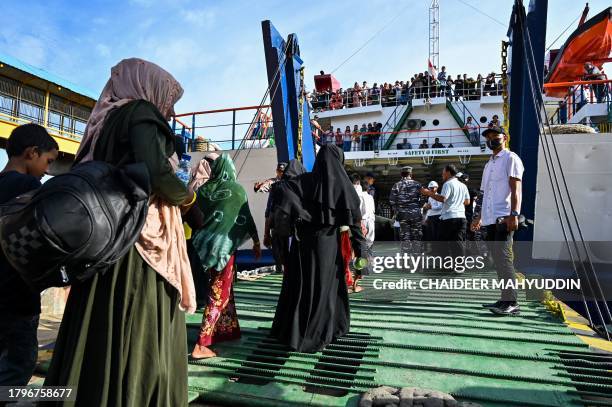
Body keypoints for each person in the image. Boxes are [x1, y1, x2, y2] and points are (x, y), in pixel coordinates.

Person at [45, 58, 197, 406]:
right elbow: (155, 171)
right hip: (137, 241)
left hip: (104, 238)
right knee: (139, 321)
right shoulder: (141, 111)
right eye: (169, 101)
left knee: (97, 321)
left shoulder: (103, 120)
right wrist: (187, 197)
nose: (170, 112)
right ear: (150, 88)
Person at [271, 145, 366, 352]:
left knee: (300, 288)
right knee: (326, 291)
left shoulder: (302, 183)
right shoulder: (346, 190)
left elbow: (283, 191)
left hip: (301, 245)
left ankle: (294, 333)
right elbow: (357, 233)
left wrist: (282, 248)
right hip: (329, 250)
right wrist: (362, 265)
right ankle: (323, 332)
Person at [0, 124, 58, 387]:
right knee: (19, 364)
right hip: (18, 296)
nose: (47, 170)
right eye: (48, 161)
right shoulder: (31, 188)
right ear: (32, 153)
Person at [191, 153, 261, 359]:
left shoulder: (204, 189)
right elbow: (245, 217)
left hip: (203, 248)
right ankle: (201, 343)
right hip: (224, 250)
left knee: (224, 288)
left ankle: (226, 329)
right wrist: (256, 242)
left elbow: (194, 216)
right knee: (218, 292)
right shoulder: (237, 190)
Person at [471, 126, 524, 316]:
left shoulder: (511, 158)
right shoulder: (488, 164)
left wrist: (515, 214)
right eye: (489, 137)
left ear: (505, 138)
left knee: (504, 260)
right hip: (490, 219)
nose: (492, 140)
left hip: (504, 217)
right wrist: (479, 217)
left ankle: (512, 303)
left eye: (496, 136)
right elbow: (484, 194)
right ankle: (504, 298)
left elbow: (516, 188)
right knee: (498, 261)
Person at [421, 164, 470, 266]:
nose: (442, 175)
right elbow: (467, 201)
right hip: (461, 217)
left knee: (443, 243)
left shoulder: (448, 184)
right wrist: (456, 202)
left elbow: (442, 199)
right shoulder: (463, 185)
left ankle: (446, 266)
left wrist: (428, 193)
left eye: (443, 173)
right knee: (458, 243)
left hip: (449, 218)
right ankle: (459, 266)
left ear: (448, 172)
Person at [389, 166, 423, 252]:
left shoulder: (397, 185)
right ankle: (417, 259)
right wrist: (416, 207)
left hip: (403, 215)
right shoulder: (418, 184)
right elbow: (423, 200)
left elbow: (392, 201)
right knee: (416, 237)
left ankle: (406, 260)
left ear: (401, 174)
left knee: (405, 237)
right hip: (415, 214)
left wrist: (398, 211)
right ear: (411, 174)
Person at [261, 163, 287, 273]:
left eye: (282, 171)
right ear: (277, 171)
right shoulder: (274, 183)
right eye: (279, 171)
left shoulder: (287, 184)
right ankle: (279, 268)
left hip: (286, 223)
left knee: (285, 249)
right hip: (275, 221)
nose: (280, 173)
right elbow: (269, 208)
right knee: (276, 248)